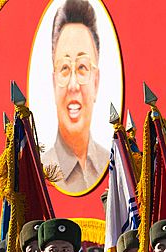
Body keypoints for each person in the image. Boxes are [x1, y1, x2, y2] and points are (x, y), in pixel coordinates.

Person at [40, 0, 108, 195]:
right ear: (53, 82)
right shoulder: (41, 169)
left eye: (82, 68)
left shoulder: (112, 165)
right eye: (64, 69)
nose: (73, 85)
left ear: (96, 82)